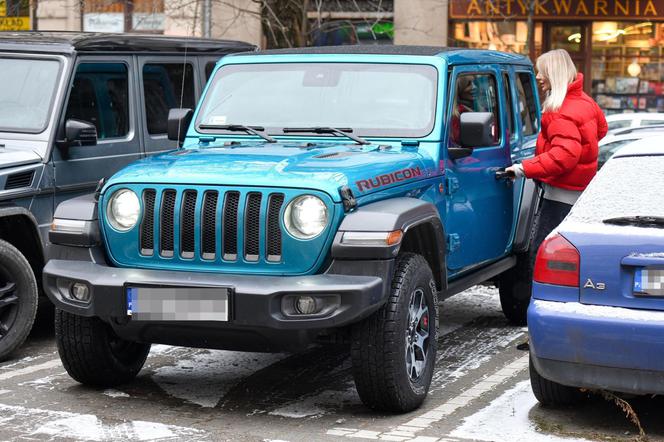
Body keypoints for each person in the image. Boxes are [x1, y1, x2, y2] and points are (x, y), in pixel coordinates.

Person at [506, 48, 607, 250]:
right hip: (578, 193)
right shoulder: (585, 101)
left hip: (559, 197)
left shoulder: (559, 110)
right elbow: (601, 130)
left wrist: (523, 169)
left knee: (545, 253)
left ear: (554, 73)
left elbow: (564, 155)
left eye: (542, 71)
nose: (538, 76)